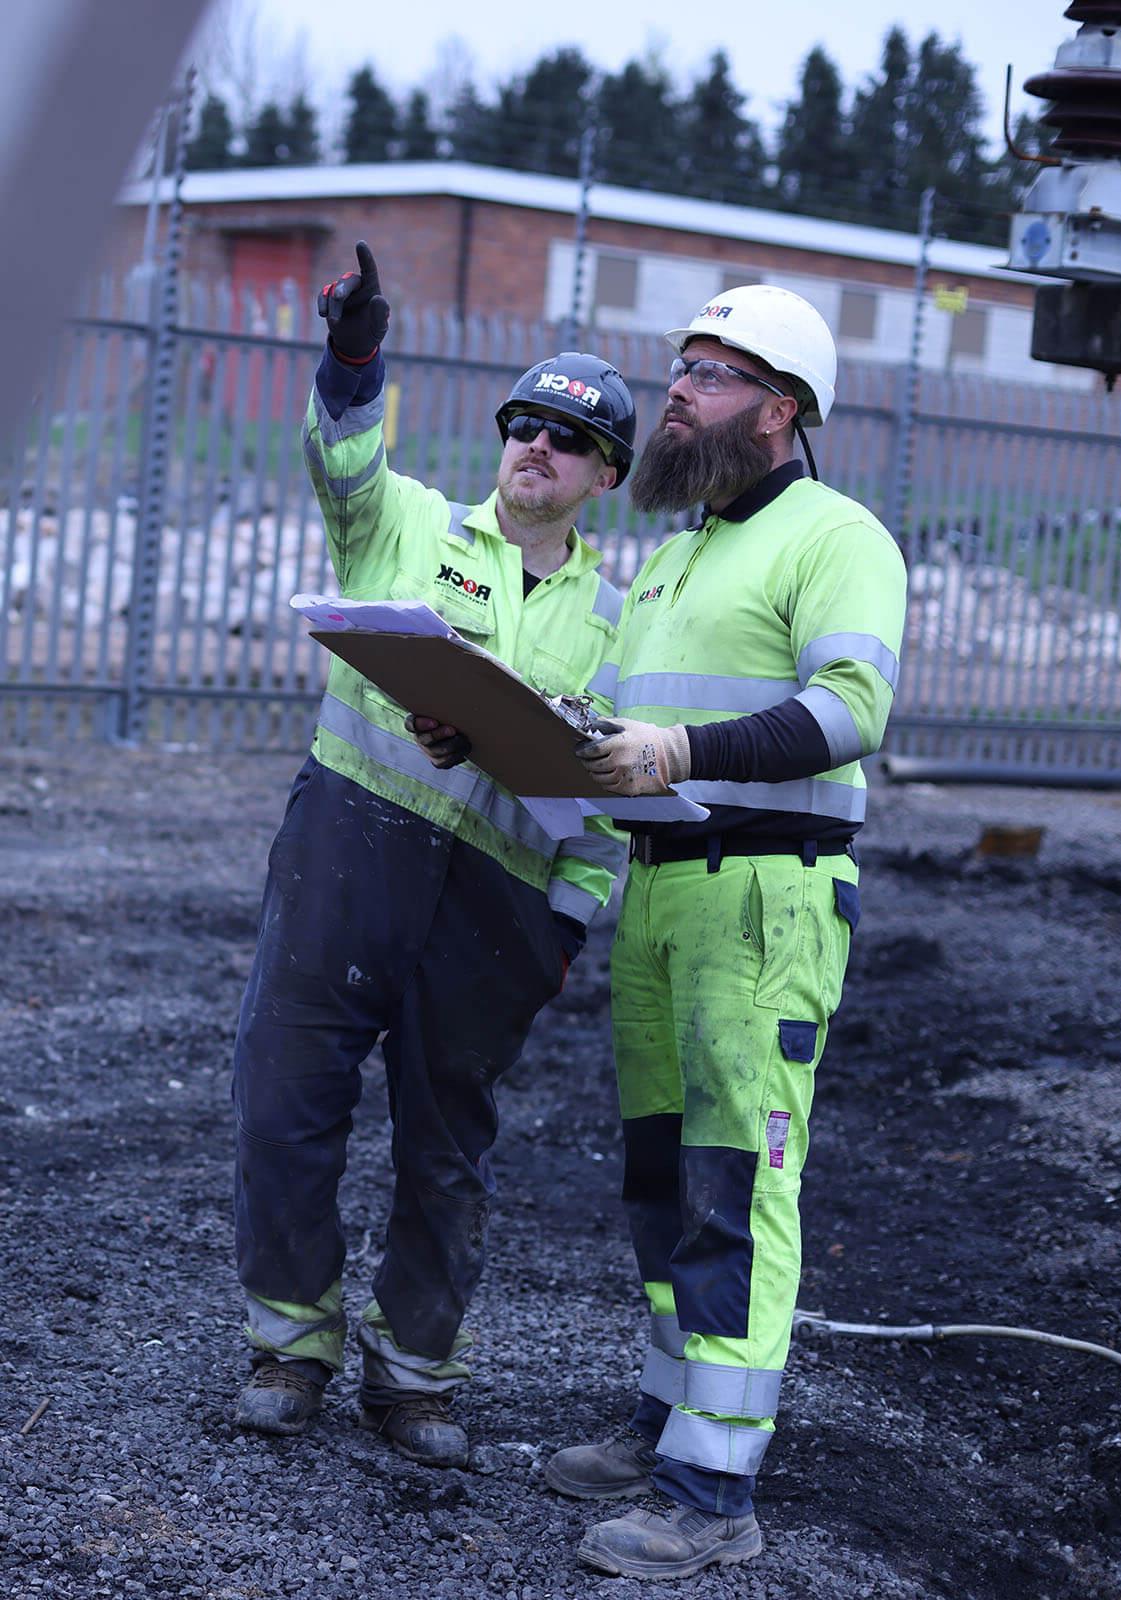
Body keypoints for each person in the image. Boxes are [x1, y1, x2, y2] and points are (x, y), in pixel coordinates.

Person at [231, 241, 634, 1468]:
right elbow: (340, 458)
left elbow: (609, 801)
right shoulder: (405, 524)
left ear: (604, 474)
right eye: (524, 425)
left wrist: (565, 926)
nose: (537, 449)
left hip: (496, 909)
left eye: (567, 440)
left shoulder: (625, 622)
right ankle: (290, 1344)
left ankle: (415, 1377)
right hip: (349, 851)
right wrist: (354, 356)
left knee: (446, 1147)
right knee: (285, 1102)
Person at [545, 284, 909, 1580]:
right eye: (682, 364)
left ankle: (713, 1495)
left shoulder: (836, 536)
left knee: (736, 1188)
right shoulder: (681, 550)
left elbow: (852, 707)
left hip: (766, 899)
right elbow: (629, 738)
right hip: (665, 898)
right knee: (662, 1182)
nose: (680, 388)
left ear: (781, 407)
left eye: (710, 371)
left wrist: (679, 748)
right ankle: (666, 1419)